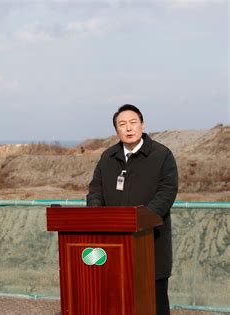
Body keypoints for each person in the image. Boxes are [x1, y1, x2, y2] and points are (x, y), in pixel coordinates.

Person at [86, 104, 178, 315]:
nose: (128, 128)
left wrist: (139, 220)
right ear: (116, 130)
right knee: (117, 302)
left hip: (150, 241)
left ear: (142, 125)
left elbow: (167, 192)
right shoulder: (108, 157)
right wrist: (95, 216)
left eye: (133, 122)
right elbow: (95, 190)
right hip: (113, 246)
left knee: (153, 303)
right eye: (122, 124)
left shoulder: (162, 155)